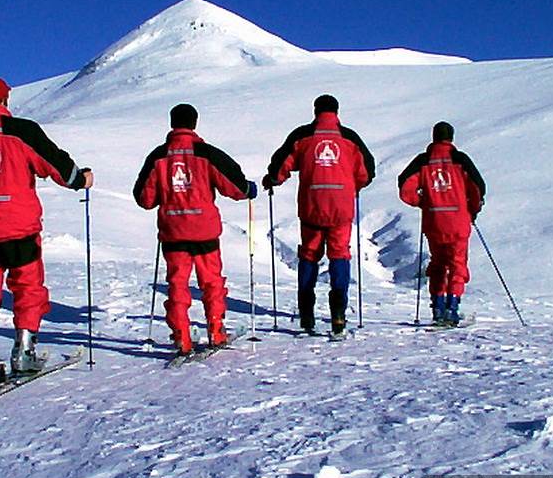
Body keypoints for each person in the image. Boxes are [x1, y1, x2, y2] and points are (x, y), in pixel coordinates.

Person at [0, 76, 93, 379]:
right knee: (27, 289)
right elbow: (58, 166)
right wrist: (81, 179)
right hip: (20, 229)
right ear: (6, 99)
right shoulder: (22, 131)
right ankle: (24, 352)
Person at [133, 104, 257, 355]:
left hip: (173, 232)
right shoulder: (207, 153)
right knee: (211, 282)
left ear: (172, 123)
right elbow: (233, 185)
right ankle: (216, 330)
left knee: (177, 284)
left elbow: (143, 198)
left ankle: (181, 335)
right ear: (194, 123)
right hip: (204, 231)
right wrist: (248, 189)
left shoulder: (158, 157)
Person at [263, 94, 376, 335]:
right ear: (336, 112)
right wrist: (351, 185)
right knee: (339, 255)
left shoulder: (302, 136)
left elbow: (282, 164)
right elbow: (367, 171)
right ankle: (338, 314)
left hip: (312, 206)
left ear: (315, 111)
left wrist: (273, 179)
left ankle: (306, 314)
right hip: (341, 207)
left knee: (310, 254)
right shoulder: (349, 138)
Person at [397, 121, 485, 326]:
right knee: (457, 265)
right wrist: (473, 209)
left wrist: (423, 203)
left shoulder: (423, 161)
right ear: (451, 138)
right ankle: (452, 309)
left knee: (437, 264)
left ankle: (437, 308)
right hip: (458, 221)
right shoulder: (460, 160)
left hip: (434, 221)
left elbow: (405, 188)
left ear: (433, 137)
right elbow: (477, 188)